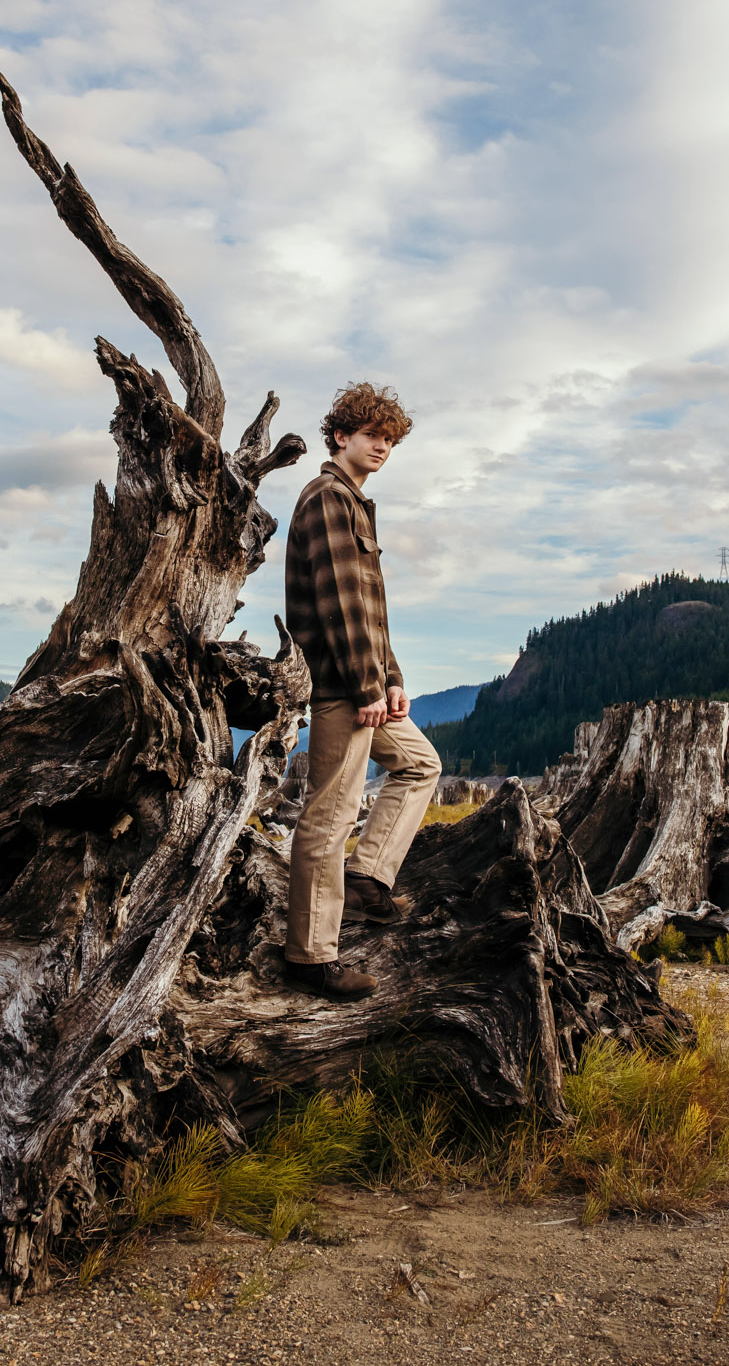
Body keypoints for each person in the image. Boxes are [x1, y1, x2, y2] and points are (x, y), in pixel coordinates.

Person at [280, 382, 441, 1000]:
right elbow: (340, 606)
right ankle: (310, 957)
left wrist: (393, 679)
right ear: (340, 436)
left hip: (366, 684)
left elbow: (371, 609)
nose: (382, 447)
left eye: (390, 440)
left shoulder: (355, 503)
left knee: (420, 764)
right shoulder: (326, 497)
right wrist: (368, 686)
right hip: (340, 687)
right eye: (372, 435)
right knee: (329, 814)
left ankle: (368, 877)